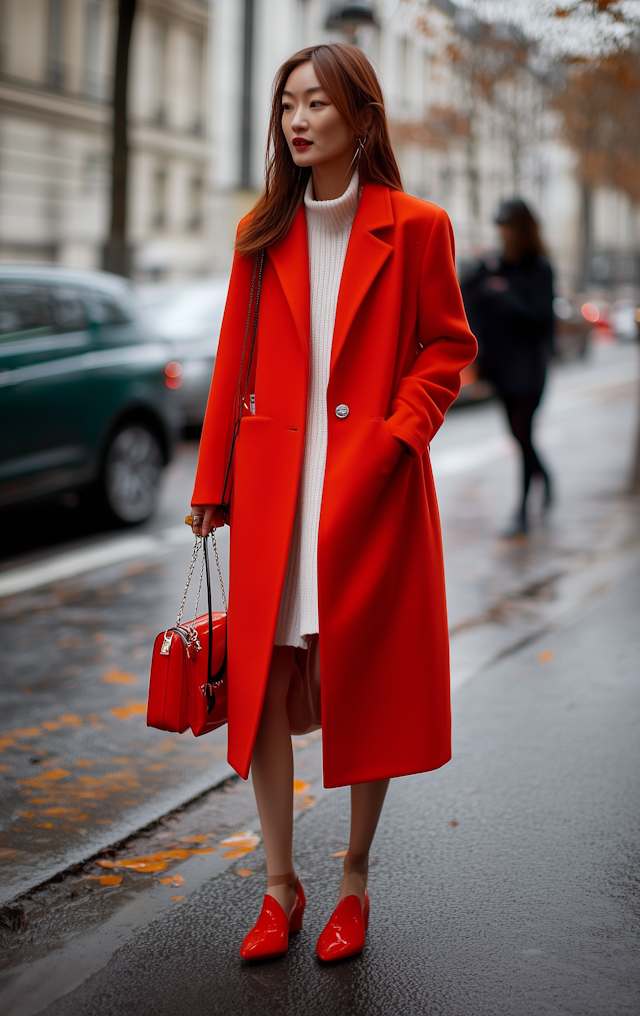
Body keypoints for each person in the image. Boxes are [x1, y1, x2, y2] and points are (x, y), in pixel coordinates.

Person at [190, 43, 476, 962]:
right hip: (279, 494)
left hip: (371, 490)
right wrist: (210, 488)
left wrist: (398, 438)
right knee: (265, 687)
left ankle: (353, 877)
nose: (298, 120)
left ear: (362, 115)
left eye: (317, 103)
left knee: (365, 678)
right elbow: (232, 362)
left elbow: (447, 348)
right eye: (286, 106)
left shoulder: (418, 226)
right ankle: (279, 885)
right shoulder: (259, 233)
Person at [462, 199, 554, 536]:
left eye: (508, 227)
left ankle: (522, 510)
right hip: (501, 366)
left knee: (523, 433)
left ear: (521, 229)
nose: (504, 234)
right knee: (519, 436)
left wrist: (504, 294)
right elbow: (470, 295)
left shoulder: (539, 268)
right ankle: (545, 477)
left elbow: (541, 318)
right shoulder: (496, 265)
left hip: (529, 368)